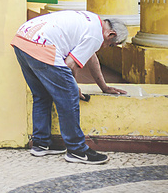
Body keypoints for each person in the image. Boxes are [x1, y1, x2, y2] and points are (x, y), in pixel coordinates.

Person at [11, 10, 128, 165]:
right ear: (111, 34)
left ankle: (40, 144)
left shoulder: (92, 21)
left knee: (41, 95)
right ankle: (77, 150)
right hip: (42, 45)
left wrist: (104, 86)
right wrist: (72, 87)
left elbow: (91, 57)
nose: (107, 47)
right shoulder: (96, 35)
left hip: (22, 40)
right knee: (69, 97)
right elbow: (69, 64)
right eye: (111, 45)